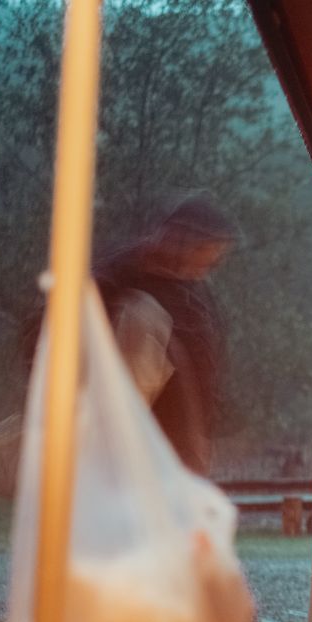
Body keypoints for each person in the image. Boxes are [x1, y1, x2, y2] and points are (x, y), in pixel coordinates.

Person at [93, 195, 235, 475]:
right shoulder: (130, 286)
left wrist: (209, 417)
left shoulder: (193, 288)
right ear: (186, 242)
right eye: (210, 248)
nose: (215, 258)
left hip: (184, 433)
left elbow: (202, 351)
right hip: (145, 435)